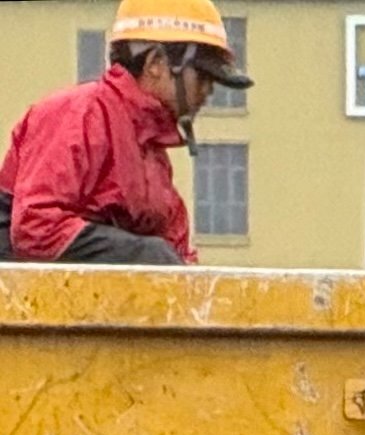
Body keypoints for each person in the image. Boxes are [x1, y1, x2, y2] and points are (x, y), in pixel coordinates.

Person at [2, 0, 242, 267]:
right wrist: (143, 256)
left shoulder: (152, 156)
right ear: (155, 63)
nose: (208, 91)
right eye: (203, 77)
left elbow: (179, 258)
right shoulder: (78, 115)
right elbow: (34, 229)